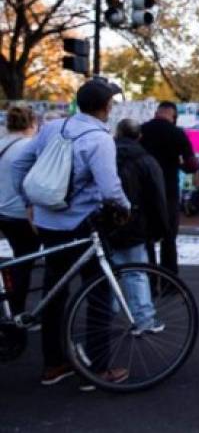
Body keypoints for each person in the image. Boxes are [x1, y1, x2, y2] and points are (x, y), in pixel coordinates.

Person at [11, 77, 131, 387]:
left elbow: (22, 162)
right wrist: (127, 208)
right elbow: (110, 190)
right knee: (99, 292)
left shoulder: (54, 127)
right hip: (82, 224)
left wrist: (28, 203)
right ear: (105, 106)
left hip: (48, 223)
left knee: (55, 292)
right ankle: (98, 369)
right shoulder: (100, 139)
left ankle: (54, 364)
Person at [104, 118, 170, 335]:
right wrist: (161, 228)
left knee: (109, 271)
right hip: (135, 222)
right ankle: (143, 319)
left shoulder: (105, 155)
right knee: (136, 272)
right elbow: (158, 197)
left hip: (105, 221)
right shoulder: (146, 160)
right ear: (139, 136)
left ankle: (104, 316)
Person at [140, 101, 199, 273]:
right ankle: (169, 280)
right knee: (168, 237)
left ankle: (150, 279)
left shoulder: (141, 130)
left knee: (147, 238)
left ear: (156, 113)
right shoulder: (177, 133)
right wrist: (182, 166)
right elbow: (191, 164)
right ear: (174, 117)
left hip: (145, 191)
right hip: (168, 190)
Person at [0, 107, 40, 317]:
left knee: (18, 261)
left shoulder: (2, 143)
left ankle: (12, 308)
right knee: (25, 262)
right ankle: (18, 314)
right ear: (32, 123)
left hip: (2, 211)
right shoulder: (29, 147)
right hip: (21, 214)